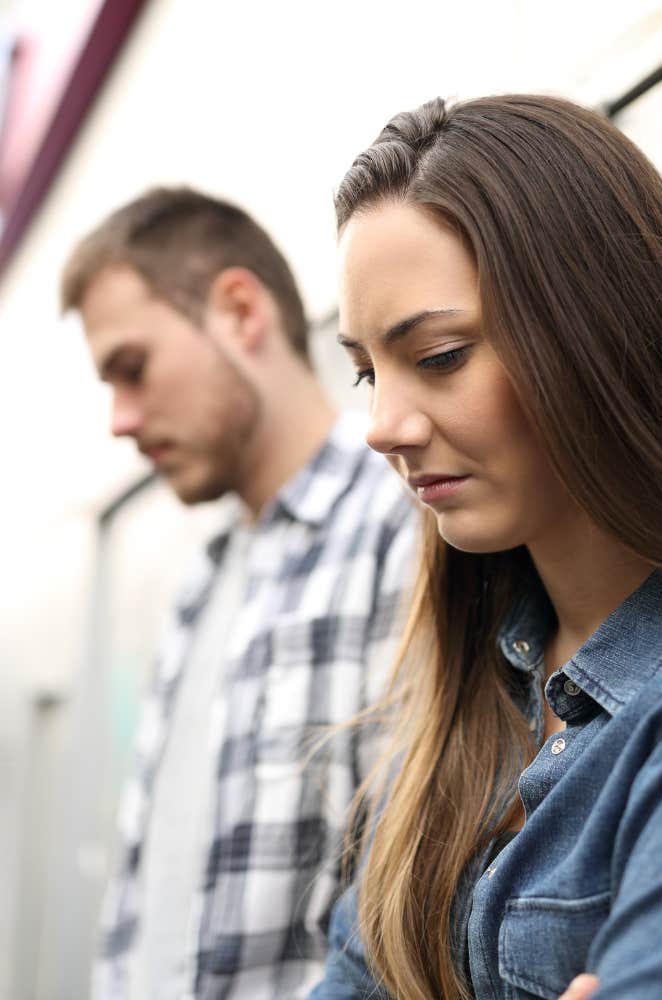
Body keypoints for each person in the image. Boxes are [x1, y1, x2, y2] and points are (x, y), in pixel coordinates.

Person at [310, 95, 662, 1000]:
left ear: (600, 334)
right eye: (368, 372)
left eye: (439, 356)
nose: (382, 425)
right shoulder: (458, 707)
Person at [60, 186, 416, 1000]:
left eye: (133, 369)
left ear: (240, 312)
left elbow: (412, 897)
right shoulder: (200, 582)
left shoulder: (401, 524)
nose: (120, 419)